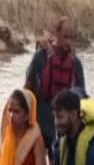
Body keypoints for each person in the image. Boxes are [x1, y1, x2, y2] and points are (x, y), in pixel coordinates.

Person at [24, 16, 86, 155]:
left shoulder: (75, 63)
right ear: (56, 34)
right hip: (41, 118)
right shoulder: (41, 57)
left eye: (71, 38)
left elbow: (82, 96)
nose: (68, 42)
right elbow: (28, 88)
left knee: (58, 158)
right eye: (65, 37)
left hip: (63, 124)